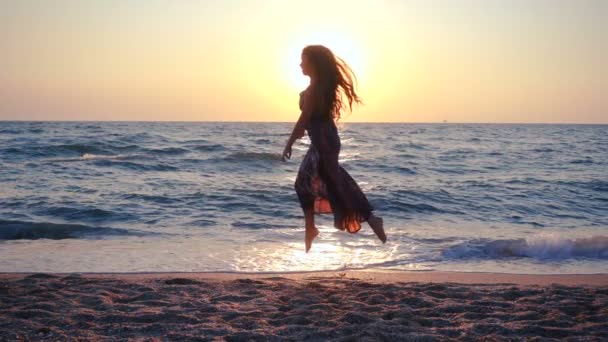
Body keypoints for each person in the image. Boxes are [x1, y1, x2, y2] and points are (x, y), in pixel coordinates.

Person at [282, 45, 386, 253]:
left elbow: (304, 119)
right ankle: (313, 227)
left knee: (315, 183)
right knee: (328, 182)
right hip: (324, 141)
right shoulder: (320, 87)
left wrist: (289, 142)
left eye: (304, 60)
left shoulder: (316, 90)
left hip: (324, 142)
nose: (300, 64)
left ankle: (368, 218)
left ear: (314, 63)